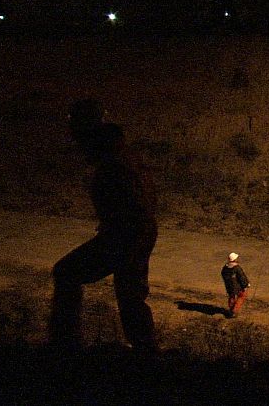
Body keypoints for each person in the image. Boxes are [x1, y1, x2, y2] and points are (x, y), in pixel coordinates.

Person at [50, 100, 159, 353]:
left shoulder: (113, 159)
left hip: (129, 234)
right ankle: (146, 353)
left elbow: (135, 199)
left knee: (70, 273)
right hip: (131, 231)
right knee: (130, 294)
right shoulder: (117, 153)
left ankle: (65, 346)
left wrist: (123, 230)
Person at [221, 252, 251, 318]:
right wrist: (246, 285)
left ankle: (231, 310)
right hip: (237, 287)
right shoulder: (237, 268)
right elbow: (242, 277)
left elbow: (223, 274)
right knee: (242, 296)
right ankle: (234, 311)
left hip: (229, 286)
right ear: (235, 259)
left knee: (231, 297)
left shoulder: (225, 268)